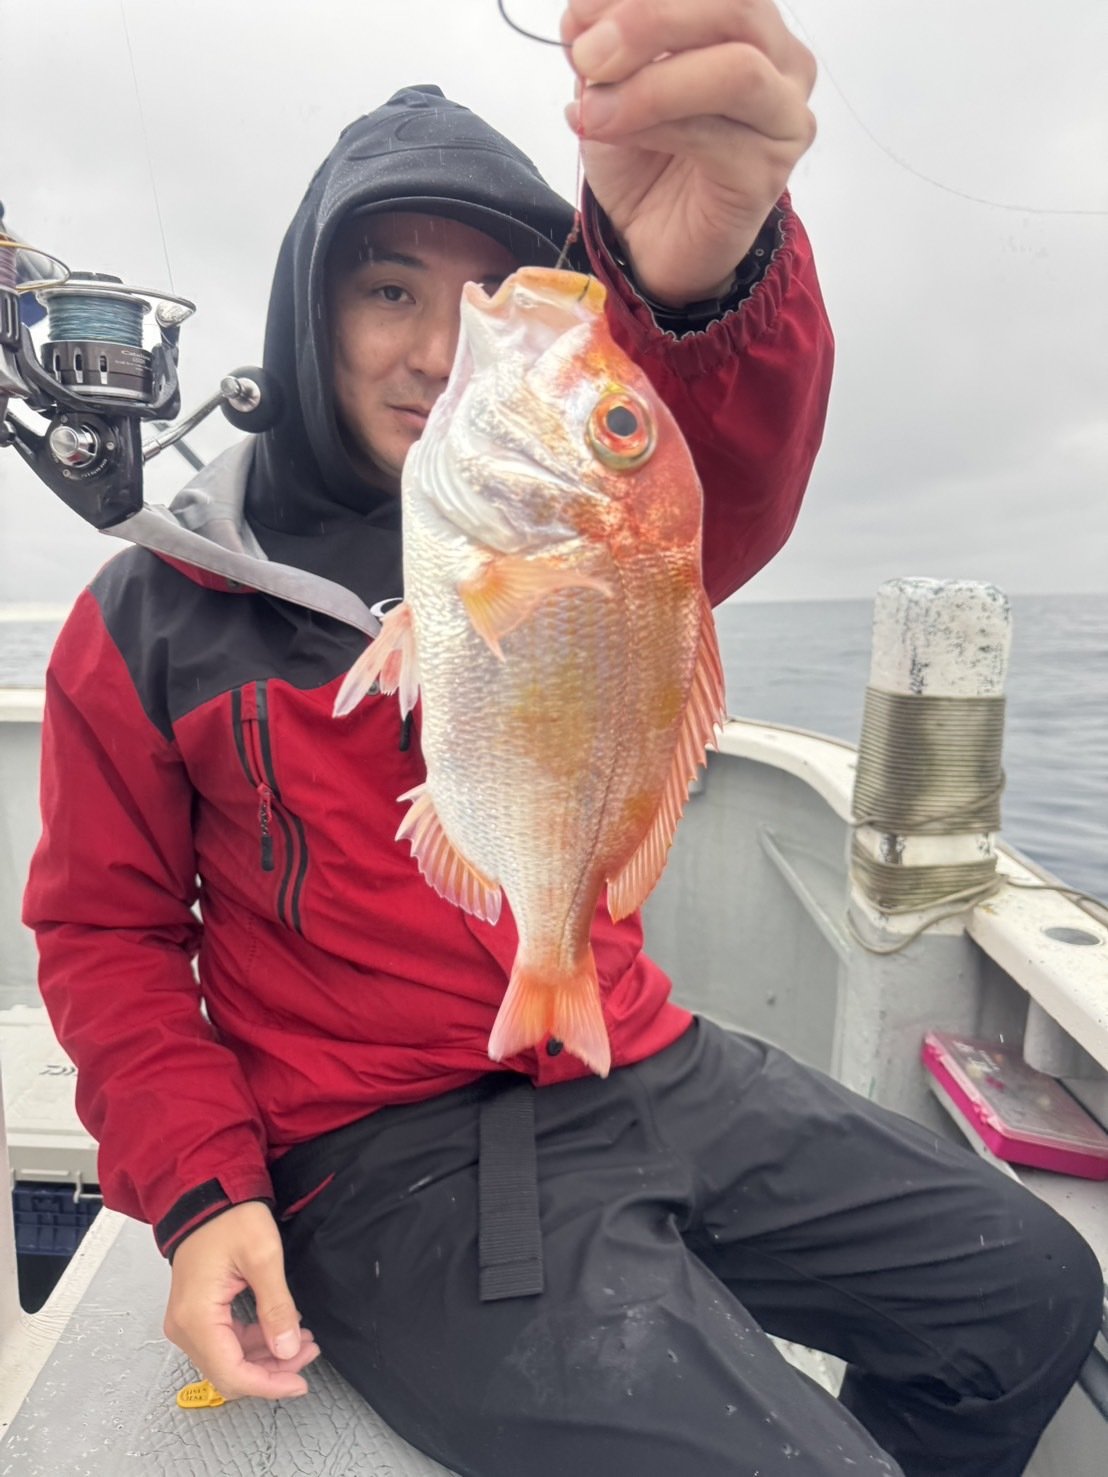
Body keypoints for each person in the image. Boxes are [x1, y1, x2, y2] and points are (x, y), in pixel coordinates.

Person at [23, 4, 1101, 1475]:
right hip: (372, 1150)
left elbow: (708, 459)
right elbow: (110, 936)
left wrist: (706, 284)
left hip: (625, 1044)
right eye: (390, 290)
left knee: (1033, 1293)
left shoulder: (597, 534)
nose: (439, 346)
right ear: (306, 314)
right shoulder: (152, 618)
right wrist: (205, 1189)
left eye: (491, 294)